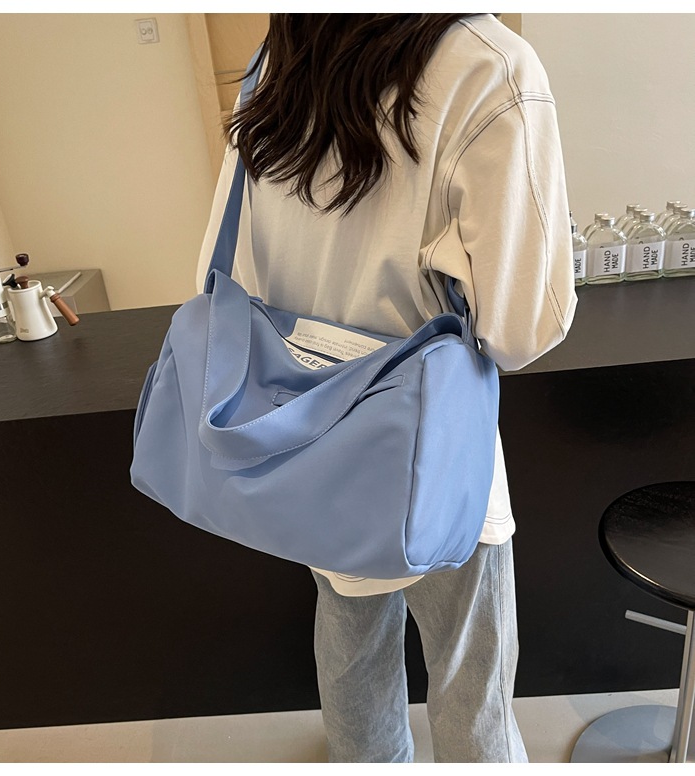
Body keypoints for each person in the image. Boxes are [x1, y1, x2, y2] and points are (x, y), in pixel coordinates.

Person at [196, 13, 577, 763]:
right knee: (471, 672)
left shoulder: (283, 54)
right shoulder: (489, 66)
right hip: (430, 442)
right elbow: (522, 328)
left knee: (350, 634)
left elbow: (220, 266)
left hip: (302, 427)